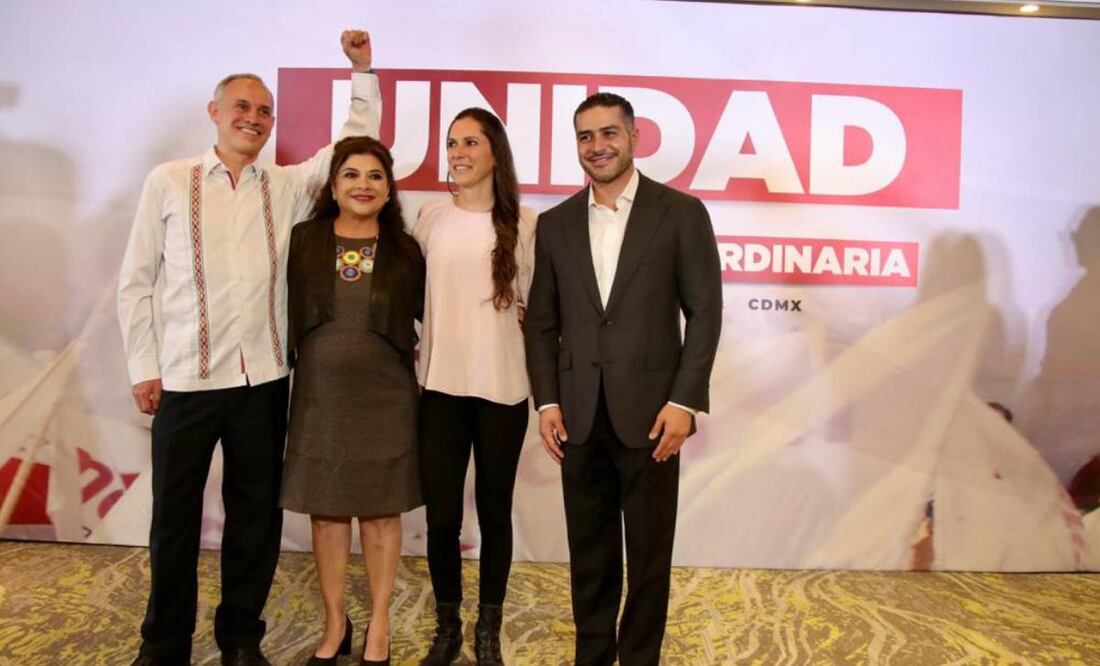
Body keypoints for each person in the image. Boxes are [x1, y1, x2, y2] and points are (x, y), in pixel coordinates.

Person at [116, 31, 379, 666]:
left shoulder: (285, 186)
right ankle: (164, 644)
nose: (253, 118)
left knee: (254, 522)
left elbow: (351, 144)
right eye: (241, 106)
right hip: (183, 381)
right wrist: (144, 368)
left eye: (264, 111)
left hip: (262, 382)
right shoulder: (169, 182)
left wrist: (362, 71)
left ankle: (240, 640)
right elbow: (136, 281)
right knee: (173, 523)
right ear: (215, 112)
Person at [524, 92, 723, 666]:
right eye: (586, 136)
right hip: (579, 416)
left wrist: (685, 401)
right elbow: (541, 324)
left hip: (654, 415)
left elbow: (705, 313)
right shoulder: (557, 224)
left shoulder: (680, 213)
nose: (597, 146)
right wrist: (547, 403)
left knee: (649, 555)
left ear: (634, 138)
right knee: (590, 555)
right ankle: (593, 656)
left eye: (609, 133)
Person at [281, 136, 424, 666]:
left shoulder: (407, 250)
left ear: (389, 190)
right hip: (321, 398)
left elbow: (441, 315)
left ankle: (380, 624)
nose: (363, 185)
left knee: (382, 516)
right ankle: (336, 622)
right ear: (333, 186)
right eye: (351, 175)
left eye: (374, 176)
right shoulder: (302, 240)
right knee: (328, 513)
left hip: (387, 399)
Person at [413, 107, 537, 666]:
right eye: (451, 142)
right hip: (439, 388)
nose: (457, 152)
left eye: (469, 142)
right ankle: (448, 627)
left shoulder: (528, 224)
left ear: (494, 153)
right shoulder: (429, 218)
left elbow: (541, 310)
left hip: (503, 390)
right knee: (440, 517)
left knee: (494, 512)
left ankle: (488, 630)